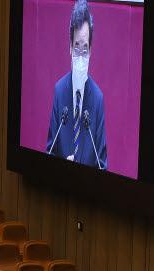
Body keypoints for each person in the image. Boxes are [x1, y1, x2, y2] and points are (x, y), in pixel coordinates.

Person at [46, 0, 106, 169]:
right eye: (77, 48)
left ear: (91, 52)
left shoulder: (97, 98)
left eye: (85, 50)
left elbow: (102, 165)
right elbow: (49, 153)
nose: (80, 55)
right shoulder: (59, 91)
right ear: (70, 48)